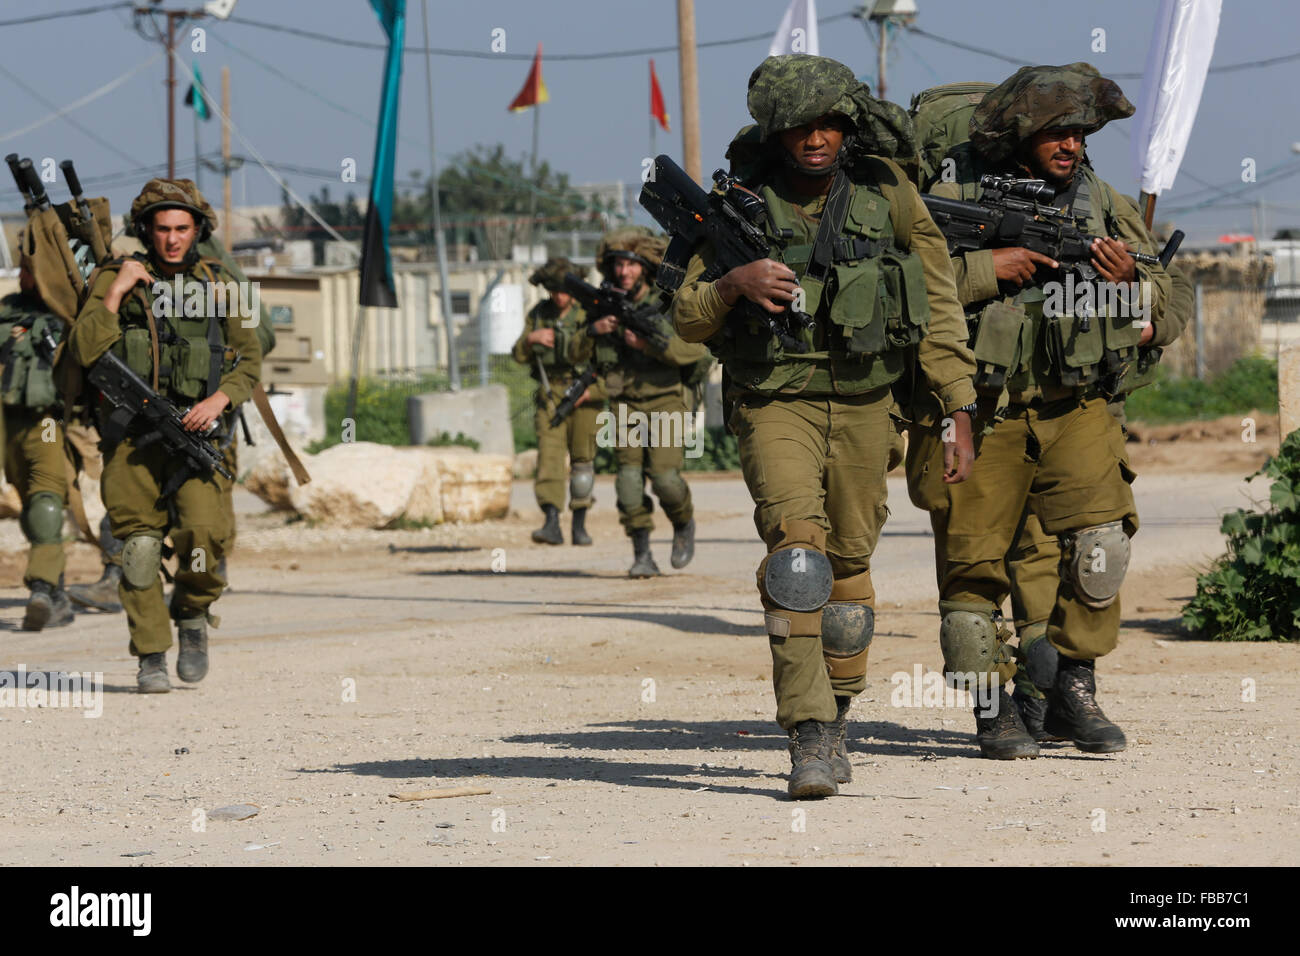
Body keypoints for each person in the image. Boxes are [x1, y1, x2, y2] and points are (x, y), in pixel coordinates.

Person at [671, 54, 979, 798]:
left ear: (847, 127)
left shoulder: (889, 194)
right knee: (797, 561)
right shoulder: (738, 204)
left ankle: (838, 712)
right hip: (775, 399)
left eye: (828, 124)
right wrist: (732, 284)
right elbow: (682, 318)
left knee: (846, 573)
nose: (815, 138)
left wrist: (958, 405)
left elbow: (938, 304)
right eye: (800, 126)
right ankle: (807, 732)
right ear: (778, 133)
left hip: (871, 403)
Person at [921, 63, 1173, 757]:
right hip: (982, 407)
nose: (1070, 143)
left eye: (1079, 132)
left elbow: (1169, 300)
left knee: (1100, 551)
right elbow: (904, 287)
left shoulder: (1101, 200)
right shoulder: (954, 196)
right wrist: (986, 269)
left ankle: (1068, 691)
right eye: (1054, 131)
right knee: (973, 572)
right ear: (1020, 134)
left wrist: (1134, 291)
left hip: (1078, 405)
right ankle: (991, 707)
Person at [67, 178, 261, 693]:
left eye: (181, 228)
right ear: (145, 231)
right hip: (130, 439)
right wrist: (115, 291)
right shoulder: (116, 279)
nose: (172, 238)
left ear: (197, 230)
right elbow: (83, 350)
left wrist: (220, 400)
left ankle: (193, 615)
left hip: (201, 437)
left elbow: (252, 358)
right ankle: (151, 653)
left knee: (203, 537)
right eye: (161, 229)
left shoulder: (221, 284)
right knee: (139, 549)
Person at [593, 229, 711, 578]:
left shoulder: (666, 300)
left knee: (665, 480)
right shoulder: (608, 303)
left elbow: (692, 350)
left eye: (630, 265)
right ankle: (642, 553)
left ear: (644, 267)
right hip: (625, 403)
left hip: (665, 400)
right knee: (628, 483)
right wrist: (596, 331)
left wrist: (647, 345)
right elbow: (596, 362)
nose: (624, 272)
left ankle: (683, 522)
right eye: (618, 265)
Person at [0, 253, 74, 630]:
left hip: (47, 419)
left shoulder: (72, 308)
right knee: (30, 506)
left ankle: (43, 589)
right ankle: (57, 592)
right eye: (26, 268)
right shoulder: (7, 310)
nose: (31, 274)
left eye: (37, 266)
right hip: (7, 422)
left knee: (46, 499)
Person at [512, 256, 601, 546]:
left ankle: (579, 524)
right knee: (549, 459)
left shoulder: (589, 313)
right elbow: (518, 354)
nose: (559, 296)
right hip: (550, 394)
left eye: (564, 290)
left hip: (585, 394)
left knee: (583, 461)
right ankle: (551, 522)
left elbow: (608, 358)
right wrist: (531, 339)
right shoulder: (539, 314)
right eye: (554, 291)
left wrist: (595, 392)